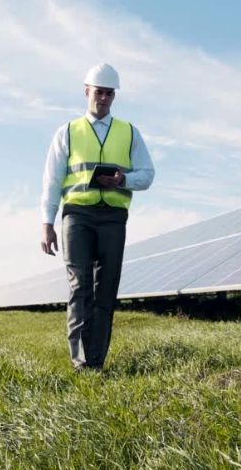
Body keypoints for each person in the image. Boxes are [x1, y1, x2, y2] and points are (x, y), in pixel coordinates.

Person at [40, 63, 155, 371]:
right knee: (80, 287)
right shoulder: (67, 132)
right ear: (86, 92)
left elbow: (147, 174)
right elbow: (52, 181)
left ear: (113, 96)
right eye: (98, 92)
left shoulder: (129, 132)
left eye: (108, 93)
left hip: (113, 218)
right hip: (77, 216)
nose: (102, 99)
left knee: (106, 289)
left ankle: (96, 361)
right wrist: (47, 223)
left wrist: (122, 180)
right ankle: (80, 363)